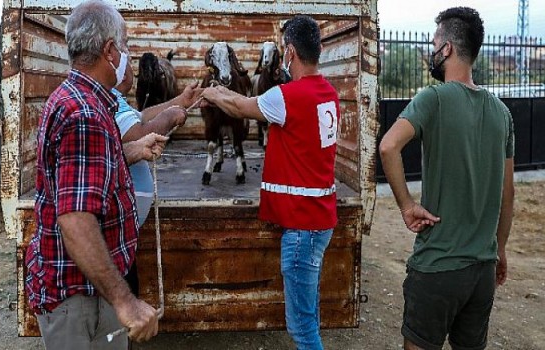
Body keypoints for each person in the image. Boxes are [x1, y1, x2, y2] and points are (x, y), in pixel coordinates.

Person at [24, 1, 168, 349]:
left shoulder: (75, 98)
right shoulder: (86, 114)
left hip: (81, 290)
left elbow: (88, 175)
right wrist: (125, 301)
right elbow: (75, 219)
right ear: (109, 51)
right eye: (125, 46)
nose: (127, 55)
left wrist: (133, 150)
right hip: (80, 297)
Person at [200, 15, 340, 350]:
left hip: (303, 227)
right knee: (309, 316)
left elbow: (238, 106)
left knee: (302, 330)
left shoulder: (287, 96)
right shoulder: (328, 92)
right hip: (320, 219)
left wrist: (210, 91)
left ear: (289, 53)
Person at [379, 7, 514, 350]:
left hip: (437, 267)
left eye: (434, 42)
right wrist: (499, 249)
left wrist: (407, 205)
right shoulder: (502, 113)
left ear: (448, 49)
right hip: (482, 271)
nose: (431, 50)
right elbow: (507, 193)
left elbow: (388, 147)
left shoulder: (432, 98)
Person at [112, 53, 201, 297]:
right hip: (120, 218)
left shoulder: (115, 98)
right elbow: (137, 132)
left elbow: (140, 116)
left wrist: (180, 101)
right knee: (122, 273)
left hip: (126, 218)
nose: (131, 67)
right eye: (127, 58)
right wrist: (170, 117)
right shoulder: (109, 99)